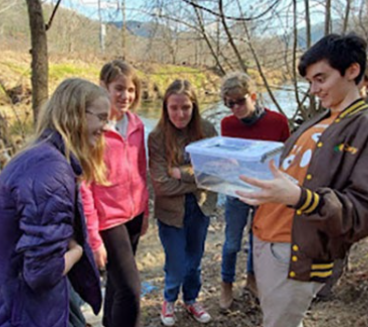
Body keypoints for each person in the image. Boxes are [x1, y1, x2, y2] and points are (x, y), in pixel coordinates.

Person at [237, 34, 368, 327]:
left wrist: (300, 198)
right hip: (264, 240)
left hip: (295, 253)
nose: (314, 90)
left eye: (321, 79)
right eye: (310, 82)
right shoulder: (322, 118)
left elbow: (367, 212)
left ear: (352, 71)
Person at [0, 78, 108, 327]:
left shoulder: (42, 157)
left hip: (19, 307)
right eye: (101, 117)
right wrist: (78, 252)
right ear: (76, 114)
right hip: (17, 315)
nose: (105, 127)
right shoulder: (50, 171)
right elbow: (42, 273)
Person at [314, 57, 368, 301]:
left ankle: (326, 287)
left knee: (340, 234)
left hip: (352, 184)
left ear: (364, 81)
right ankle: (319, 282)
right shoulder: (341, 106)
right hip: (332, 179)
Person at [80, 60, 150, 327]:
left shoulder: (136, 123)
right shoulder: (93, 129)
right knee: (131, 290)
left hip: (134, 214)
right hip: (108, 220)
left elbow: (141, 169)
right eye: (118, 88)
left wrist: (145, 212)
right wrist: (93, 237)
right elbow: (84, 186)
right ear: (103, 87)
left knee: (118, 287)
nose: (125, 96)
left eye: (131, 90)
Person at [217, 72, 290, 309]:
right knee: (231, 243)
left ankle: (252, 280)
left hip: (266, 190)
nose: (235, 108)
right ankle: (226, 284)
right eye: (229, 103)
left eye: (240, 101)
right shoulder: (227, 124)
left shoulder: (278, 121)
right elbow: (228, 157)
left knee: (256, 239)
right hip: (237, 189)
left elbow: (287, 156)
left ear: (254, 96)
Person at [149, 79, 218, 326]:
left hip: (200, 206)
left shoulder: (207, 130)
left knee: (195, 258)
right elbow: (161, 184)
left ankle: (191, 299)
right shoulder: (157, 137)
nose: (180, 114)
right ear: (166, 108)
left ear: (194, 106)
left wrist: (182, 172)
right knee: (176, 261)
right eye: (174, 108)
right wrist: (197, 175)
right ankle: (169, 299)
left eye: (186, 107)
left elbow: (214, 174)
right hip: (170, 212)